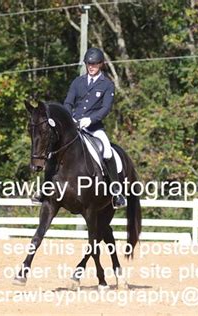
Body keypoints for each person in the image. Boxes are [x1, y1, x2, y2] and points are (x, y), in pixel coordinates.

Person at [63, 47, 127, 209]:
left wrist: (90, 120)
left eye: (95, 64)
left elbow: (105, 108)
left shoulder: (107, 85)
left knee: (106, 150)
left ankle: (116, 190)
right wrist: (69, 116)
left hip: (94, 127)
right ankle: (46, 188)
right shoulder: (78, 82)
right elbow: (69, 102)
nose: (91, 67)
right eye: (89, 64)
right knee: (54, 146)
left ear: (101, 64)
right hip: (74, 125)